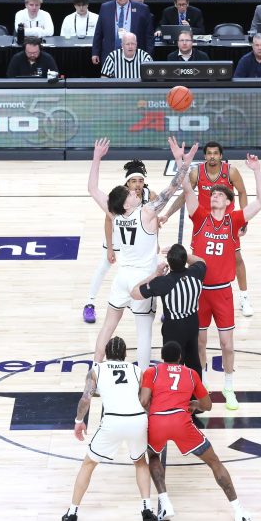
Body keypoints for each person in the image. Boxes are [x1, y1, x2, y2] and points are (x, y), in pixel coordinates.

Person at [87, 136, 196, 372]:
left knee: (108, 326)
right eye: (132, 195)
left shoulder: (115, 213)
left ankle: (94, 371)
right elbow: (174, 187)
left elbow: (92, 189)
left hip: (122, 278)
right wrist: (183, 163)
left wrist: (96, 158)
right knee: (144, 331)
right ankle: (145, 377)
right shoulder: (146, 212)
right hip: (144, 279)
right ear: (126, 204)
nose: (137, 193)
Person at [177, 142, 261, 410]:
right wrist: (181, 161)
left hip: (223, 292)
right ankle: (201, 388)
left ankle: (229, 387)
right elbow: (184, 188)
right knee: (201, 343)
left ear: (228, 202)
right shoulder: (200, 217)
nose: (214, 195)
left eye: (219, 194)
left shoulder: (234, 220)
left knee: (227, 344)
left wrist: (257, 171)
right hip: (200, 291)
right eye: (213, 193)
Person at [140, 342, 251, 521]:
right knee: (214, 462)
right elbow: (207, 405)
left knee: (152, 456)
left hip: (158, 421)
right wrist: (195, 405)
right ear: (180, 358)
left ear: (162, 358)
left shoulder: (152, 372)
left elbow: (144, 400)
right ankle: (238, 510)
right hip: (182, 423)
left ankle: (165, 503)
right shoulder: (191, 374)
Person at [62, 336, 156, 521]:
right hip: (137, 419)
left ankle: (72, 513)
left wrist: (79, 421)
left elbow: (86, 399)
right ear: (124, 354)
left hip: (113, 420)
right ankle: (147, 508)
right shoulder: (136, 370)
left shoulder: (96, 369)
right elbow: (146, 400)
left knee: (88, 464)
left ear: (106, 353)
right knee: (140, 462)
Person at [161, 141, 256, 317]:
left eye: (215, 153)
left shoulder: (231, 171)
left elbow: (242, 192)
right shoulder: (197, 172)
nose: (212, 156)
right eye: (209, 153)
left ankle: (244, 297)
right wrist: (167, 214)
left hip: (226, 224)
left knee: (237, 258)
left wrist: (244, 221)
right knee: (196, 262)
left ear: (221, 156)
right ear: (205, 156)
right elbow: (185, 194)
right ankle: (191, 297)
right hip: (203, 224)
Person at [82, 160, 158, 324]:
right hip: (118, 235)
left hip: (138, 240)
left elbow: (154, 222)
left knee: (156, 267)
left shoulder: (150, 195)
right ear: (127, 183)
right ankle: (89, 303)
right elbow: (109, 221)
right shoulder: (119, 197)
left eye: (140, 180)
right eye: (133, 181)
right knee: (104, 265)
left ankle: (164, 309)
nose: (137, 184)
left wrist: (155, 243)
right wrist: (110, 248)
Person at [131, 245, 206, 378]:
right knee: (194, 362)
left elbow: (135, 292)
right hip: (193, 322)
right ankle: (196, 395)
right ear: (184, 260)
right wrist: (182, 254)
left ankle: (173, 394)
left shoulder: (164, 282)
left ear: (169, 263)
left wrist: (156, 274)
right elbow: (201, 261)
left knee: (172, 366)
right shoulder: (196, 272)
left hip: (174, 328)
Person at [91, 0, 154, 67]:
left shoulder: (142, 9)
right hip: (110, 55)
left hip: (136, 56)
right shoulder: (105, 7)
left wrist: (148, 55)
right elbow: (99, 32)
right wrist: (95, 52)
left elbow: (149, 35)